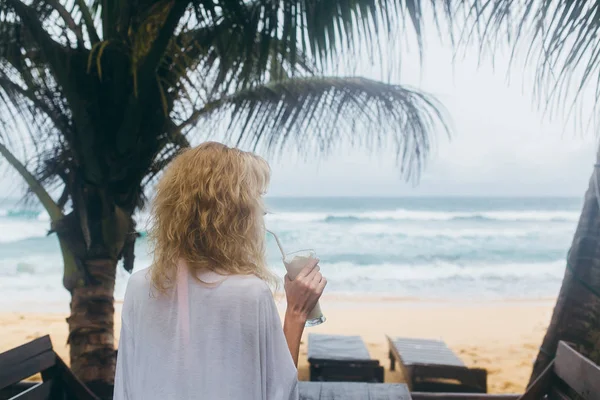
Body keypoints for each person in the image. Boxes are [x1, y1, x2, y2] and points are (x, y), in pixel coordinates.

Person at [113, 142, 327, 400]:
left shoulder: (139, 286)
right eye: (256, 198)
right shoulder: (249, 293)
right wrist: (296, 313)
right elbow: (279, 392)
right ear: (235, 213)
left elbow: (125, 387)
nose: (263, 210)